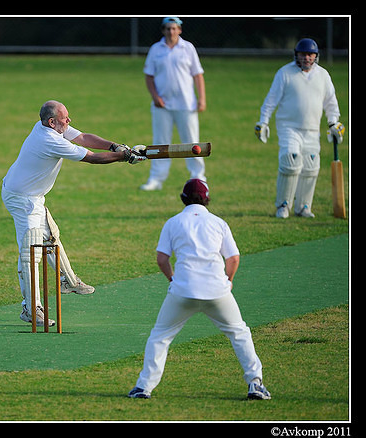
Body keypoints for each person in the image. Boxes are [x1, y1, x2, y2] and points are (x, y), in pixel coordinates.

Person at [2, 100, 146, 327]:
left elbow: (84, 137)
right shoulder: (48, 140)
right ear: (52, 122)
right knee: (31, 252)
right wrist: (125, 157)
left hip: (32, 196)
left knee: (50, 237)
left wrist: (115, 146)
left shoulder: (48, 127)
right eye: (64, 118)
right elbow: (91, 157)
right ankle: (31, 309)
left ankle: (67, 280)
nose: (69, 121)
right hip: (21, 199)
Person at [128, 179, 271, 400]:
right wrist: (228, 280)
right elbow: (233, 258)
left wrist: (172, 279)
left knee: (160, 337)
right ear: (207, 199)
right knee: (239, 333)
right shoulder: (219, 223)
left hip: (182, 291)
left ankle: (143, 387)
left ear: (183, 199)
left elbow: (161, 259)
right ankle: (255, 383)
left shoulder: (173, 222)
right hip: (218, 291)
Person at [255, 38, 345, 218]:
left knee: (311, 166)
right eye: (303, 54)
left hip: (312, 129)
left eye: (310, 54)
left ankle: (304, 207)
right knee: (291, 160)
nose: (306, 58)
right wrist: (263, 121)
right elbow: (271, 100)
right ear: (296, 55)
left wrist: (333, 122)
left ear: (316, 56)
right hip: (289, 127)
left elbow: (331, 103)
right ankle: (283, 205)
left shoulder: (323, 75)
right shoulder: (285, 73)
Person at [140, 17, 207, 191]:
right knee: (160, 143)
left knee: (192, 142)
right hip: (162, 105)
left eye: (174, 28)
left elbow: (197, 75)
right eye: (168, 28)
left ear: (180, 30)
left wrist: (202, 99)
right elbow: (149, 76)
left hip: (186, 104)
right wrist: (155, 97)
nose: (171, 32)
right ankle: (156, 179)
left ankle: (198, 177)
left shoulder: (188, 48)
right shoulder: (156, 49)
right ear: (163, 30)